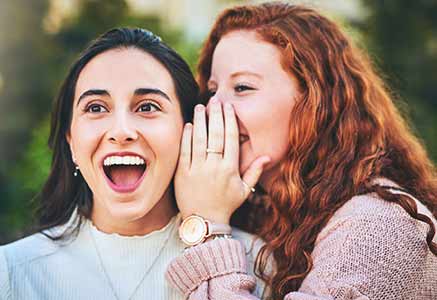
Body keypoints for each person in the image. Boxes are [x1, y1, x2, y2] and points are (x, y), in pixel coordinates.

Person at [166, 3, 437, 299]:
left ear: (313, 103)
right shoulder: (269, 215)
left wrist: (207, 225)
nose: (212, 107)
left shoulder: (378, 225)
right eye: (212, 89)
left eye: (242, 87)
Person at [0, 28, 267, 300]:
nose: (121, 130)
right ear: (71, 141)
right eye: (95, 108)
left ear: (189, 131)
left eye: (147, 107)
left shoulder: (257, 265)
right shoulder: (11, 273)